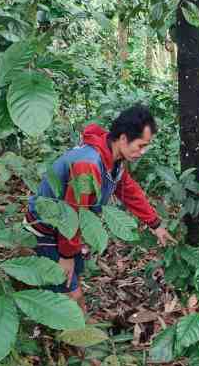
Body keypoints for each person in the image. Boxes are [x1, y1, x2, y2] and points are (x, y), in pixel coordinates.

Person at [24, 104, 175, 314]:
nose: (142, 152)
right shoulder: (89, 164)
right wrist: (66, 256)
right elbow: (72, 214)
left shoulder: (113, 158)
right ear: (123, 138)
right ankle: (76, 338)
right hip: (48, 229)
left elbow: (128, 189)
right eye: (140, 145)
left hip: (66, 231)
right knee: (71, 295)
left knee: (68, 279)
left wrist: (155, 224)